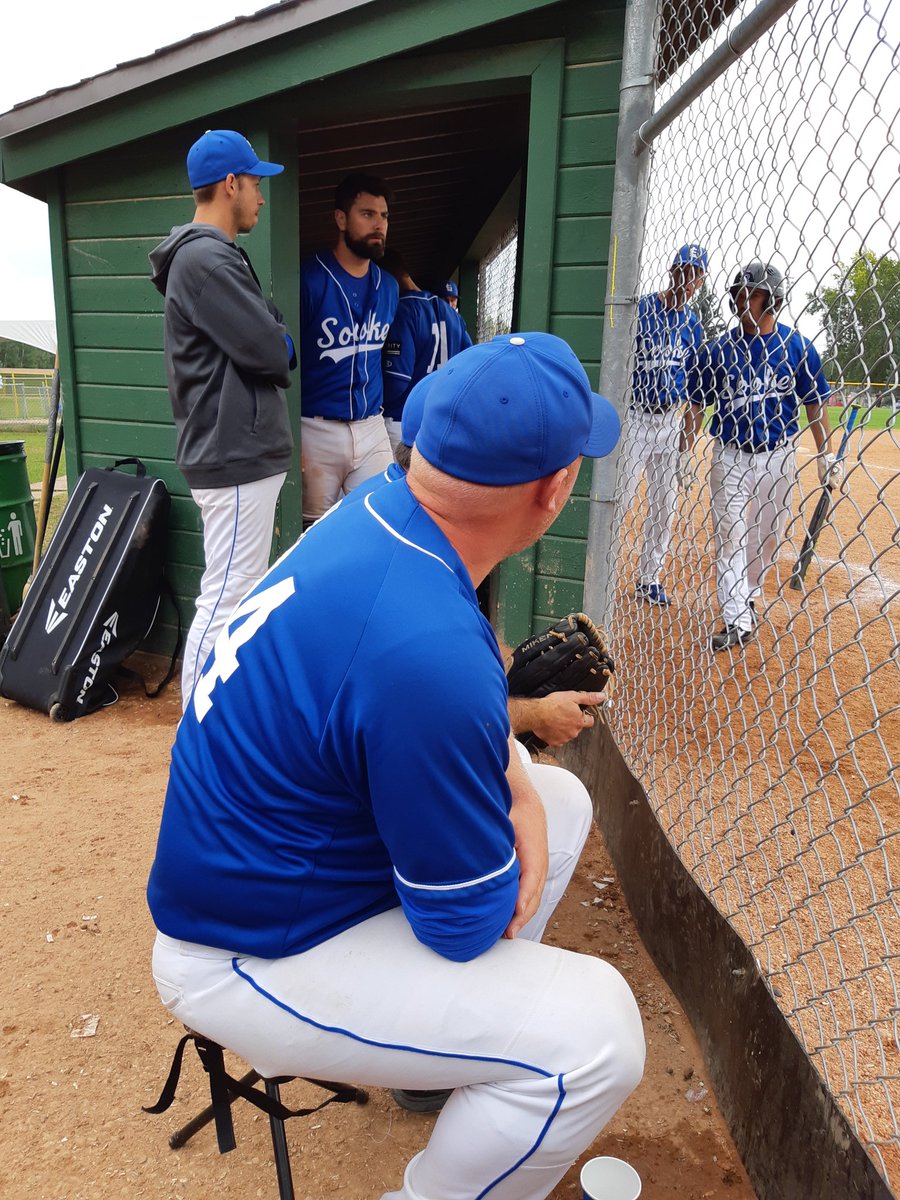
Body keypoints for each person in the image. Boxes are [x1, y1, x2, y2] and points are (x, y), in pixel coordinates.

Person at [147, 332, 642, 1200]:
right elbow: (462, 926)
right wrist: (503, 836)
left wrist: (517, 785)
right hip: (251, 954)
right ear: (556, 488)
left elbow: (422, 692)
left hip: (276, 872)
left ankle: (440, 1061)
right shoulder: (427, 650)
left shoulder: (381, 506)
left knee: (555, 798)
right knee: (597, 1036)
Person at [149, 129, 295, 710]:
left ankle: (221, 715)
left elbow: (269, 332)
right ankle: (194, 730)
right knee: (227, 595)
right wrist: (276, 337)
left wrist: (272, 332)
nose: (261, 195)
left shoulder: (216, 255)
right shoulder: (205, 258)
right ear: (230, 184)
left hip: (236, 450)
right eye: (255, 182)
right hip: (232, 451)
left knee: (238, 590)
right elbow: (273, 349)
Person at [684, 260, 837, 652]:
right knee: (730, 535)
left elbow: (815, 404)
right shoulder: (718, 350)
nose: (741, 301)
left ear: (773, 300)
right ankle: (736, 617)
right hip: (730, 454)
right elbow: (697, 404)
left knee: (766, 537)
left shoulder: (797, 347)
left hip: (778, 454)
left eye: (750, 294)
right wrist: (684, 450)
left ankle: (748, 595)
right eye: (738, 294)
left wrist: (826, 454)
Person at [299, 173, 399, 526]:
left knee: (381, 518)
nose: (379, 224)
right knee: (314, 530)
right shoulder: (309, 279)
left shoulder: (389, 286)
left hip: (371, 425)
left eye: (383, 216)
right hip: (316, 428)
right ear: (341, 219)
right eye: (367, 214)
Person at [617, 244, 707, 606]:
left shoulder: (693, 326)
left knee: (664, 505)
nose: (687, 280)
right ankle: (602, 569)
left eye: (695, 274)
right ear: (672, 271)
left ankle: (648, 578)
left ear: (701, 282)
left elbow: (697, 387)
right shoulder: (642, 309)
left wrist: (686, 447)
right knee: (620, 499)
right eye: (683, 271)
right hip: (636, 416)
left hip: (670, 420)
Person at [381, 249, 473, 455]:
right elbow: (469, 362)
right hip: (440, 417)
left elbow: (396, 380)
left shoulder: (403, 308)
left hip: (403, 419)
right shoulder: (453, 315)